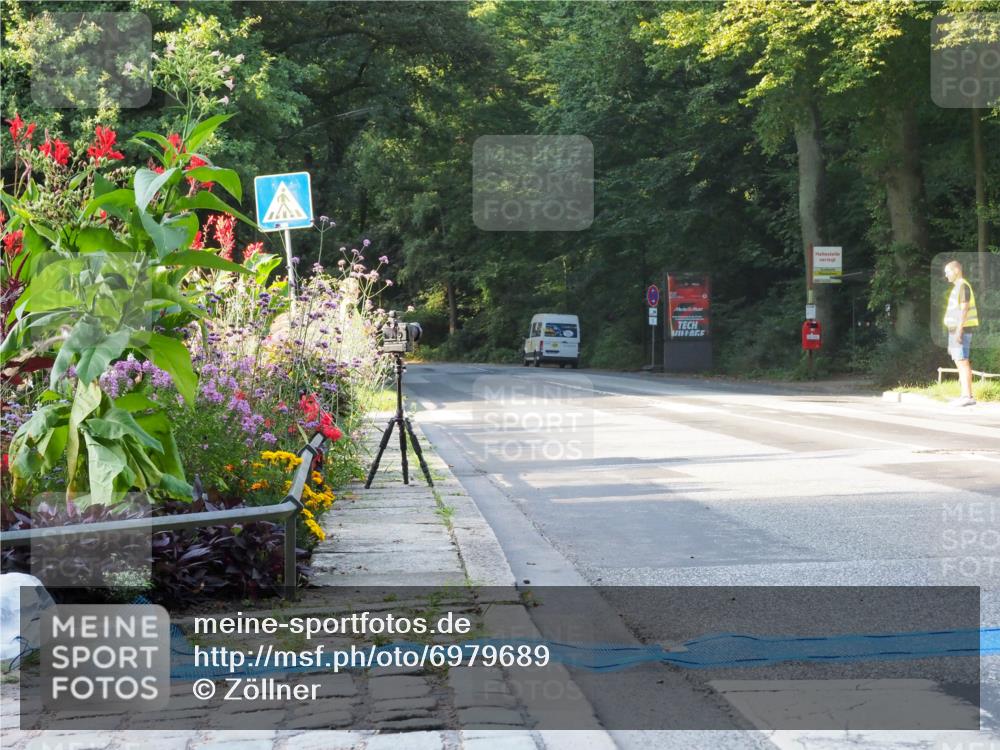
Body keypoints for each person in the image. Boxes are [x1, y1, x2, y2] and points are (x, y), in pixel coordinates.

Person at [943, 260, 979, 406]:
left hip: (961, 331)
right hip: (956, 331)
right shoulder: (958, 287)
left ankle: (968, 396)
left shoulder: (963, 286)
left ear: (956, 270)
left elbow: (964, 309)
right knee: (959, 361)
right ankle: (964, 395)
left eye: (948, 272)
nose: (946, 275)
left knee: (962, 362)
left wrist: (958, 331)